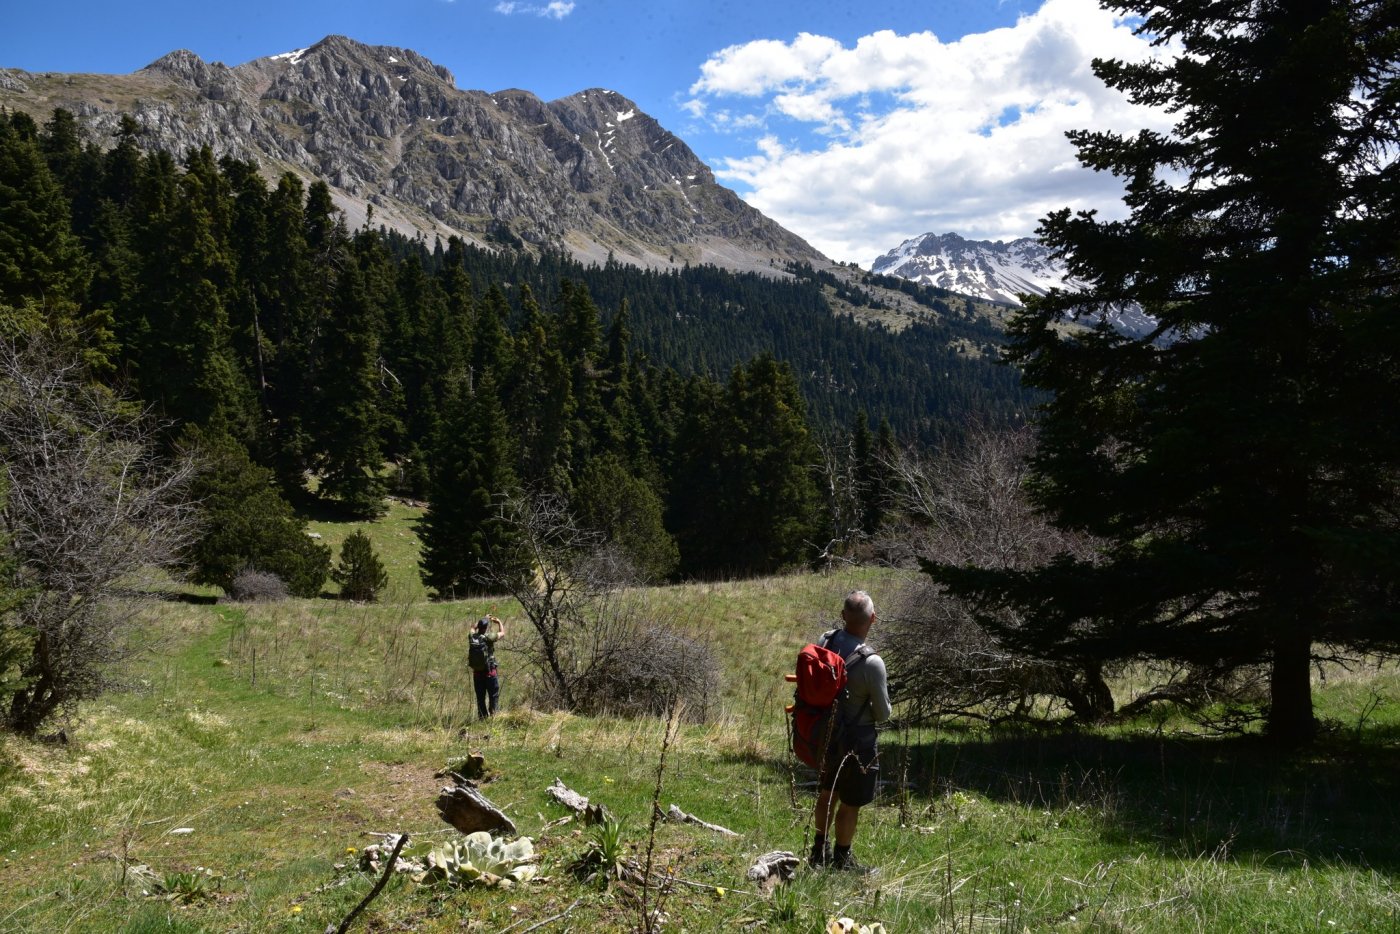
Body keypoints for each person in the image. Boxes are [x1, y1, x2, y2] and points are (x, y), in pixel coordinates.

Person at [810, 590, 890, 873]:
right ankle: (842, 860)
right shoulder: (872, 663)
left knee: (826, 793)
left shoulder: (825, 641)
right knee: (851, 802)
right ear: (873, 619)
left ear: (843, 616)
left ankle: (818, 852)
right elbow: (883, 714)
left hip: (826, 733)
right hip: (859, 740)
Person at [471, 614, 505, 719]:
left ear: (479, 627)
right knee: (493, 695)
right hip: (490, 673)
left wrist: (484, 618)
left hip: (477, 674)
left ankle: (482, 718)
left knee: (480, 698)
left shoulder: (472, 637)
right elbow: (502, 633)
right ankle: (494, 715)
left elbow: (472, 627)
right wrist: (499, 622)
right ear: (486, 628)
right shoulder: (489, 637)